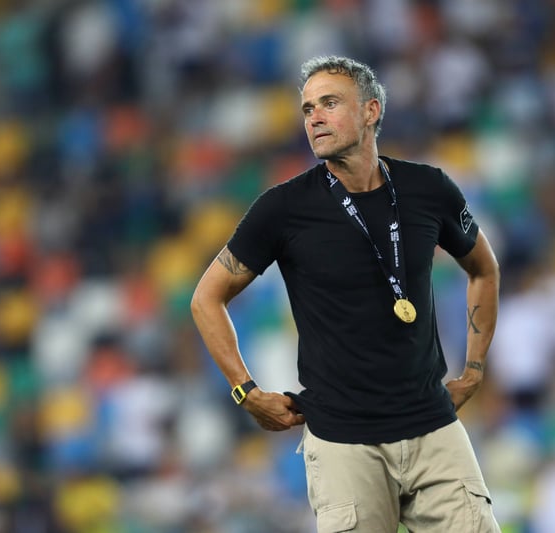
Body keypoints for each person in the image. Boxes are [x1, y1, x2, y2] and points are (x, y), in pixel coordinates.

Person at [191, 55, 500, 532]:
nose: (314, 117)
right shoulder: (283, 208)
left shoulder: (429, 189)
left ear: (371, 110)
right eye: (307, 108)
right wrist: (244, 391)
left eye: (329, 103)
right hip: (344, 443)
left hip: (434, 430)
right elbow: (206, 298)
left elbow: (483, 268)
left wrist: (475, 369)